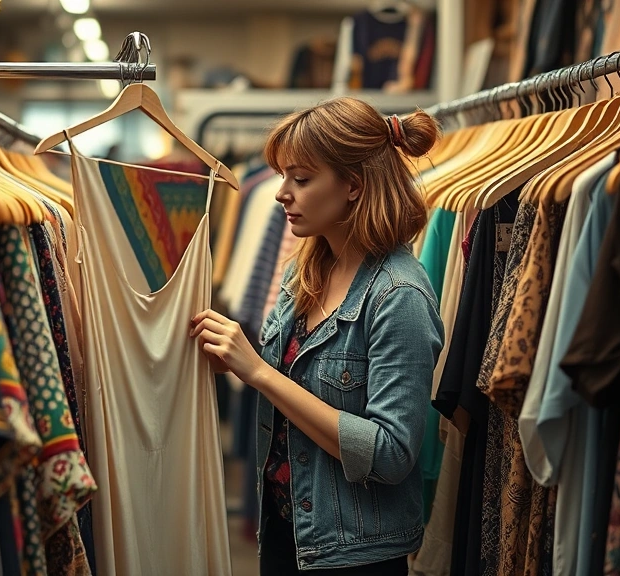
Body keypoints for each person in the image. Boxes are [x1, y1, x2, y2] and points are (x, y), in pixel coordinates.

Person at [190, 97, 445, 575]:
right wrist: (232, 357)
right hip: (291, 529)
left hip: (354, 554)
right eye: (283, 176)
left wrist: (261, 373)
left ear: (352, 185)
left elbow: (391, 453)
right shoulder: (306, 270)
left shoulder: (399, 296)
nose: (280, 193)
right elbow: (296, 379)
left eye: (301, 179)